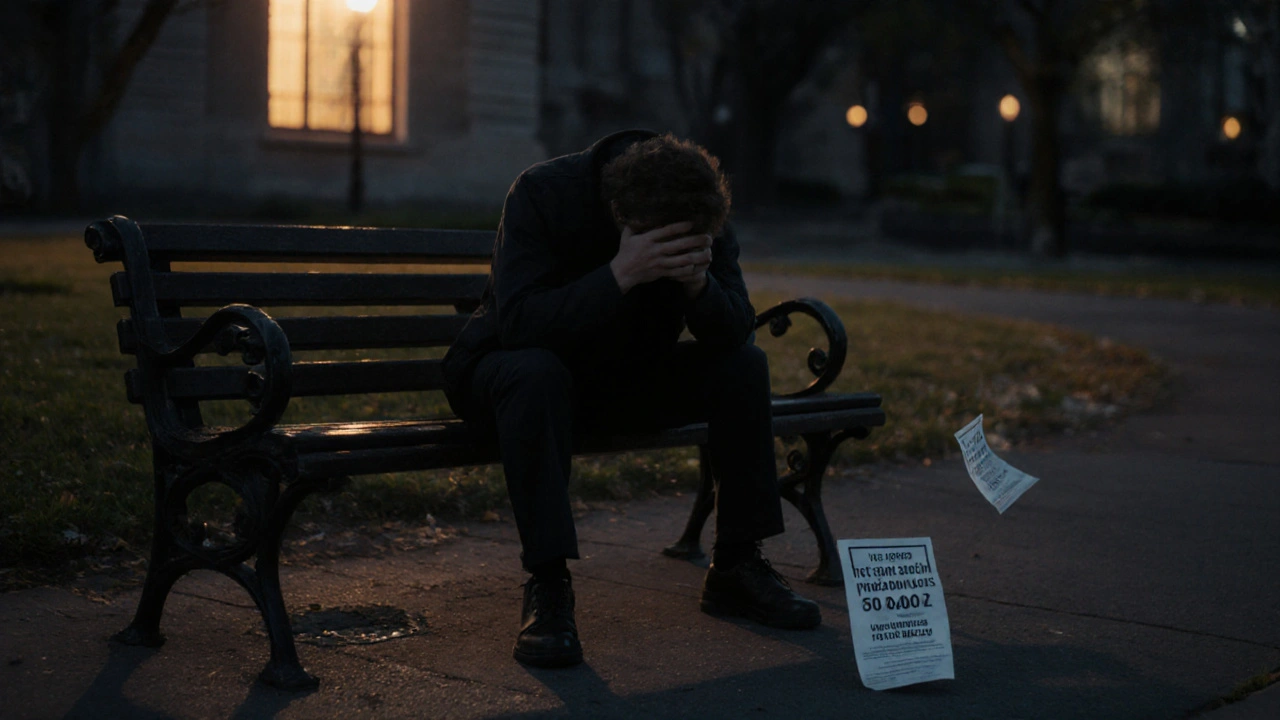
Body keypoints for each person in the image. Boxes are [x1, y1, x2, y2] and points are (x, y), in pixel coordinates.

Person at [442, 129, 819, 669]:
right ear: (619, 214)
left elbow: (737, 329)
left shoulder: (696, 206)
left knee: (743, 365)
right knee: (536, 371)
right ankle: (548, 587)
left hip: (619, 379)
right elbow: (519, 323)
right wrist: (620, 274)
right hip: (507, 379)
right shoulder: (544, 192)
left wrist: (699, 287)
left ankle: (737, 565)